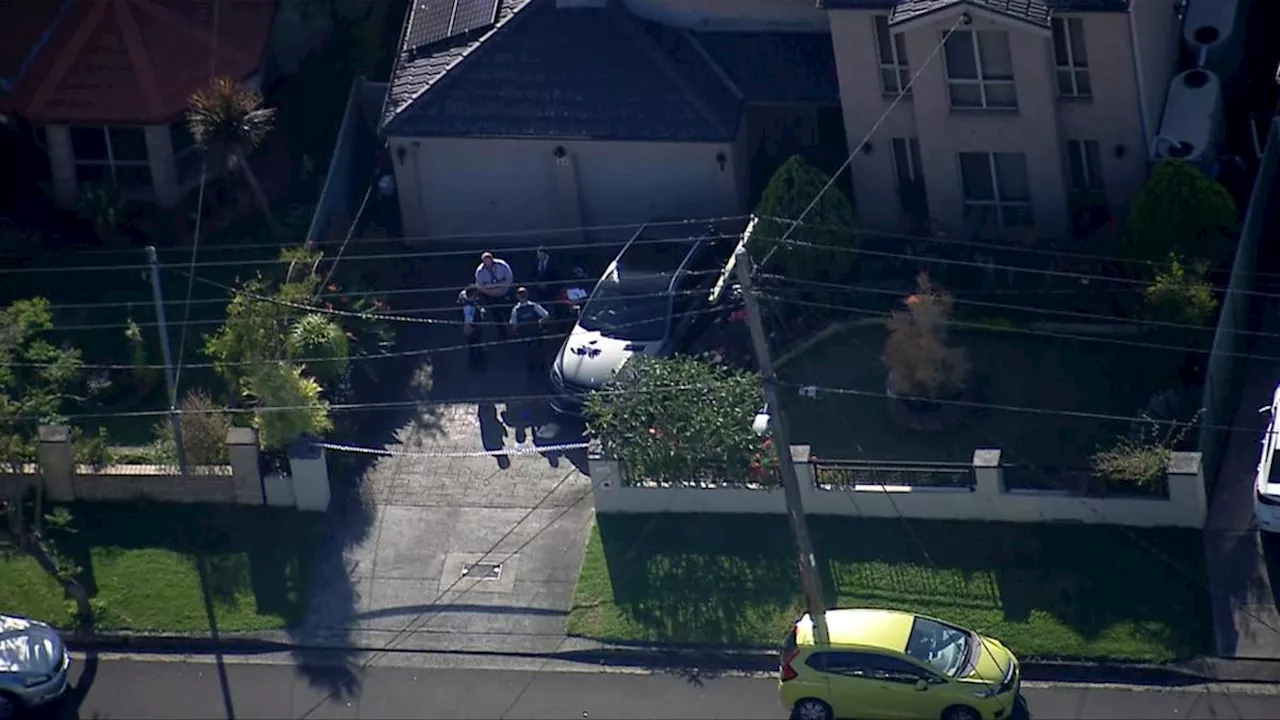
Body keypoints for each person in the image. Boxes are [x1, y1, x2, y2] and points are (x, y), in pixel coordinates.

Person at [509, 286, 550, 373]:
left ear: (517, 297)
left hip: (525, 333)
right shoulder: (534, 306)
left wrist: (515, 333)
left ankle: (531, 365)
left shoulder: (516, 310)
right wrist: (541, 322)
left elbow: (514, 324)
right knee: (540, 349)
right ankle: (542, 365)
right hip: (536, 331)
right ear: (527, 295)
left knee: (528, 351)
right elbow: (546, 315)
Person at [475, 251, 515, 331]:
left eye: (489, 260)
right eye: (485, 262)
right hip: (490, 296)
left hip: (504, 292)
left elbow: (509, 278)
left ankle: (512, 328)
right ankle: (502, 331)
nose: (488, 263)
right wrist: (492, 291)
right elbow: (480, 286)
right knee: (496, 314)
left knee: (509, 311)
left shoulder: (502, 265)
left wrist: (500, 288)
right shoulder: (480, 271)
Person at [458, 284, 486, 366]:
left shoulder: (463, 295)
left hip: (470, 324)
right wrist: (468, 329)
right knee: (475, 341)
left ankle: (476, 355)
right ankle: (476, 360)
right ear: (472, 294)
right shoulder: (469, 308)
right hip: (473, 326)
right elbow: (468, 320)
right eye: (476, 294)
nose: (477, 295)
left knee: (472, 342)